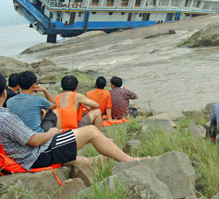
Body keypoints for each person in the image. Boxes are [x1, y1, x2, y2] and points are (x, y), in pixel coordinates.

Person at [0, 72, 147, 171]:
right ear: (4, 93)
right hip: (35, 155)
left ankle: (95, 160)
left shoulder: (8, 107)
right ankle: (130, 160)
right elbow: (34, 140)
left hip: (24, 154)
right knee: (91, 131)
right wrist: (52, 132)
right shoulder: (5, 118)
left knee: (73, 151)